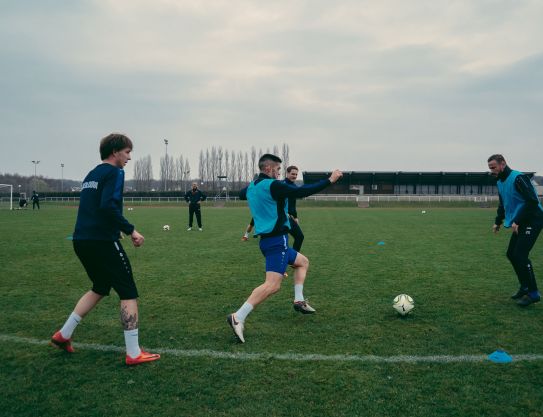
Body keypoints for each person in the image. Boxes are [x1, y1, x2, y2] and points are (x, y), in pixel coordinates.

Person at [50, 133, 160, 365]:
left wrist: (114, 228)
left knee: (99, 286)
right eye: (127, 152)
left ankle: (64, 334)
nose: (129, 158)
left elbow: (95, 208)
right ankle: (133, 353)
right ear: (115, 152)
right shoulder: (115, 172)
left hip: (82, 239)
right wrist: (131, 230)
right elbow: (108, 206)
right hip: (101, 241)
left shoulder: (91, 174)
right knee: (128, 291)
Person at [227, 154, 342, 343]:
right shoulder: (273, 185)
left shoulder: (253, 186)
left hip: (268, 241)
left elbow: (241, 193)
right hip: (276, 241)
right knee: (272, 285)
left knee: (302, 262)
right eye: (278, 169)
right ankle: (238, 316)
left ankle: (299, 300)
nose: (279, 173)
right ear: (269, 169)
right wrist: (329, 180)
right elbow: (302, 191)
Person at [488, 154, 543, 307]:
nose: (492, 170)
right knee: (512, 254)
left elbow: (532, 201)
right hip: (521, 221)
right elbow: (503, 203)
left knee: (520, 255)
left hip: (533, 218)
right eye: (490, 168)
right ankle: (525, 287)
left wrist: (517, 220)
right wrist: (498, 221)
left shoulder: (518, 178)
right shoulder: (500, 182)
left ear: (503, 164)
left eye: (493, 167)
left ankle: (533, 293)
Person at [284, 165, 304, 252]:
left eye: (296, 174)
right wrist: (284, 212)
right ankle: (293, 259)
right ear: (287, 173)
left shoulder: (294, 186)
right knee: (299, 236)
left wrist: (295, 217)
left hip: (291, 217)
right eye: (293, 174)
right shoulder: (282, 185)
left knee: (299, 237)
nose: (295, 176)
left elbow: (292, 204)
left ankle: (293, 258)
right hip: (283, 217)